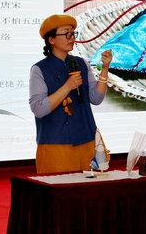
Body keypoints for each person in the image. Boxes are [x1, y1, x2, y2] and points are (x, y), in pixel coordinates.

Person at [29, 14, 113, 173]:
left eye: (73, 33)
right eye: (66, 34)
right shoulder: (39, 69)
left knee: (90, 188)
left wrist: (105, 68)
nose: (72, 38)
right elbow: (38, 109)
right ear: (51, 39)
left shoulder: (81, 63)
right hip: (56, 145)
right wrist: (67, 87)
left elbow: (96, 98)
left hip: (87, 140)